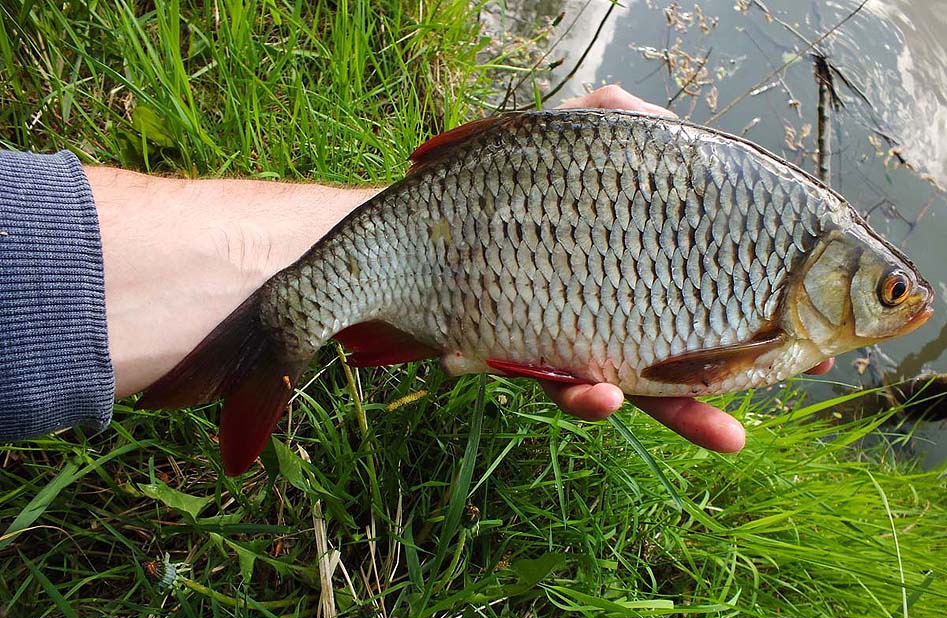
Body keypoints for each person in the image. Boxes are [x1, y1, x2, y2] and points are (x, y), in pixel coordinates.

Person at [0, 85, 831, 450]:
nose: (897, 307)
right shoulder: (778, 307)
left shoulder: (780, 240)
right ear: (825, 274)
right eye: (889, 291)